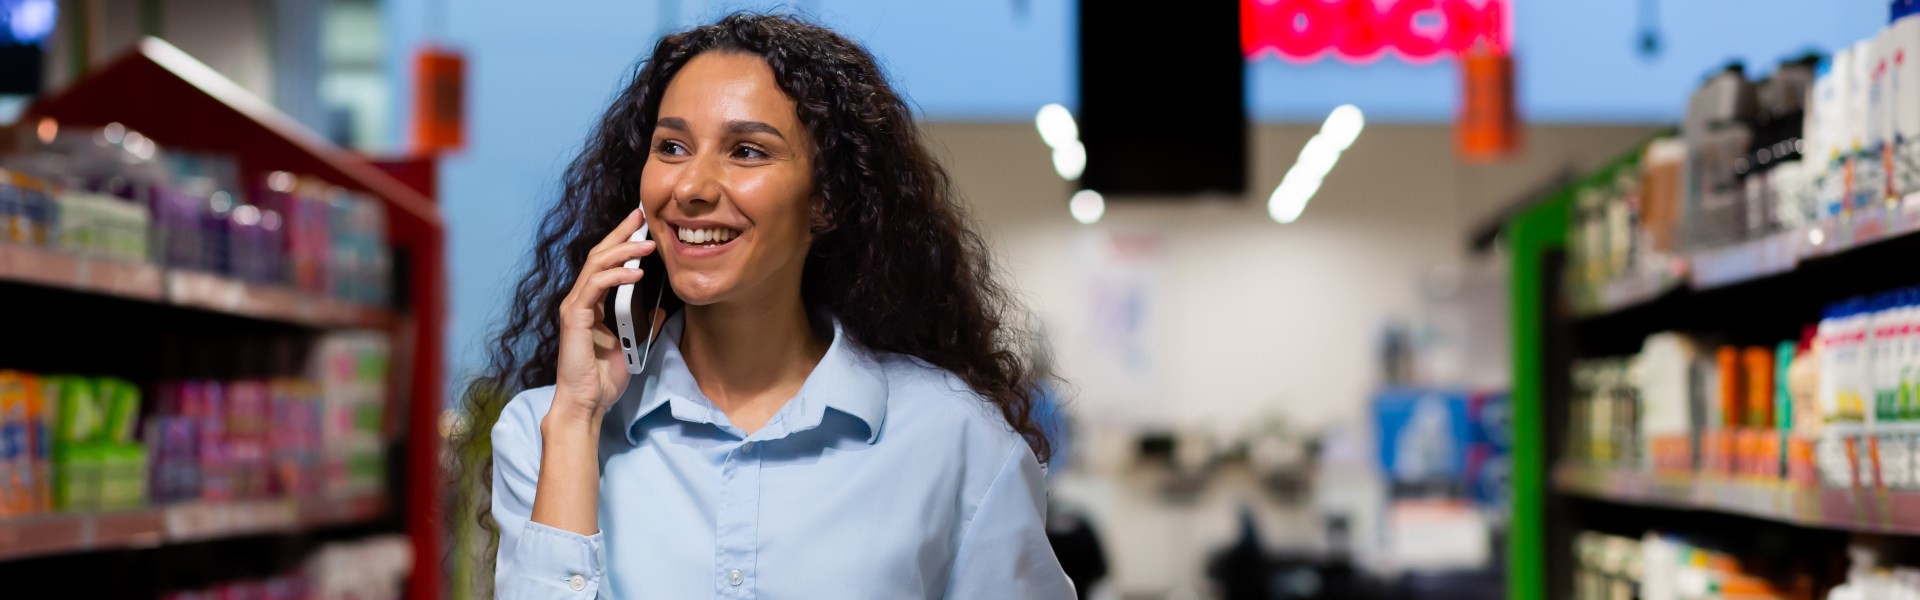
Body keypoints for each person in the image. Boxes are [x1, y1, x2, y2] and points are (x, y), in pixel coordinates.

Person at [463, 13, 1074, 599]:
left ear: (826, 201)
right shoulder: (548, 432)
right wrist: (576, 420)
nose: (692, 188)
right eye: (672, 147)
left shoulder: (955, 439)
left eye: (748, 152)